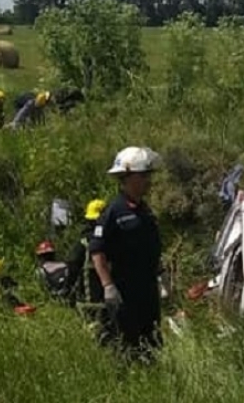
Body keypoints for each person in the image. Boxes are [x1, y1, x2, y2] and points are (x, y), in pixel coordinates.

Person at [89, 147, 164, 362]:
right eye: (144, 176)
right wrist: (108, 286)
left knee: (152, 344)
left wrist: (162, 274)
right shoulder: (114, 211)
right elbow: (97, 249)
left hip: (147, 290)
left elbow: (151, 246)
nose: (148, 181)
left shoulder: (144, 210)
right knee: (127, 345)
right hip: (125, 292)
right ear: (128, 177)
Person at [64, 198, 108, 339]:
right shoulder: (113, 242)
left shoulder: (83, 244)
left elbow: (72, 265)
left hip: (87, 300)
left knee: (92, 334)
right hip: (110, 300)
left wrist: (67, 290)